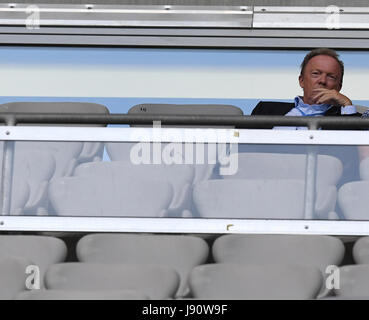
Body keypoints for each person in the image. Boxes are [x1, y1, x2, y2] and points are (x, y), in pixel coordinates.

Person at [252, 48, 361, 122]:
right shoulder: (265, 110)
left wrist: (347, 105)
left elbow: (356, 152)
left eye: (331, 77)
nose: (322, 80)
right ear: (302, 81)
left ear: (339, 87)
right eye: (315, 74)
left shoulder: (349, 117)